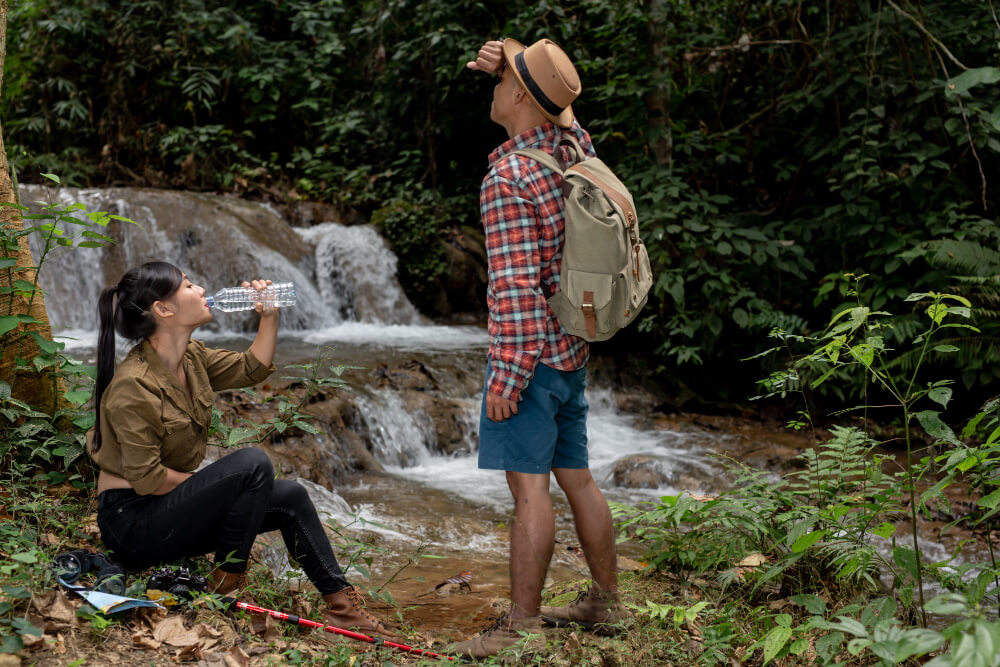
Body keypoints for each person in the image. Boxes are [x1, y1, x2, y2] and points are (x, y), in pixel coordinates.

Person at [88, 261, 391, 636]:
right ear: (163, 309)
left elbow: (253, 367)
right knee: (251, 465)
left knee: (290, 496)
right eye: (187, 286)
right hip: (133, 525)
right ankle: (226, 582)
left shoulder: (191, 357)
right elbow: (148, 479)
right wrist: (218, 491)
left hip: (167, 509)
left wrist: (269, 315)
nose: (200, 290)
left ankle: (343, 608)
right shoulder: (134, 386)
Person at [451, 39, 629, 658]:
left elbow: (517, 290)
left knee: (529, 490)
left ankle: (520, 626)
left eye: (504, 81)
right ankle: (606, 603)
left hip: (531, 359)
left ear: (521, 96)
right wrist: (521, 62)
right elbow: (567, 114)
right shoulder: (569, 152)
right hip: (572, 351)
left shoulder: (508, 177)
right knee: (577, 479)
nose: (495, 87)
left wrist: (507, 378)